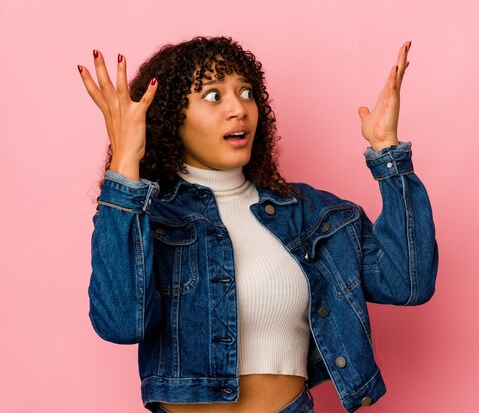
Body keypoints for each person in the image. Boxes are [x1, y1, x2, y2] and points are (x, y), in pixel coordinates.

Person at [79, 36, 438, 413]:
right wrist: (125, 164)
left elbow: (407, 283)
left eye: (246, 92)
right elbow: (121, 324)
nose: (239, 109)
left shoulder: (311, 214)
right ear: (171, 119)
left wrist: (388, 154)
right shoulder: (149, 219)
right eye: (214, 96)